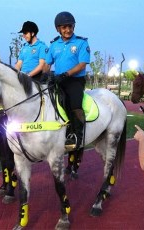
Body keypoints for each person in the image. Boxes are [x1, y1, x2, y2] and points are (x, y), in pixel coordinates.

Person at [44, 11, 91, 151]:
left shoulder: (81, 42)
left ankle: (77, 135)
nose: (68, 30)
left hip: (75, 80)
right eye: (64, 27)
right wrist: (44, 75)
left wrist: (66, 74)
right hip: (58, 80)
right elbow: (47, 63)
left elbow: (82, 64)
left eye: (70, 26)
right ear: (58, 29)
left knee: (75, 104)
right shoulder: (53, 45)